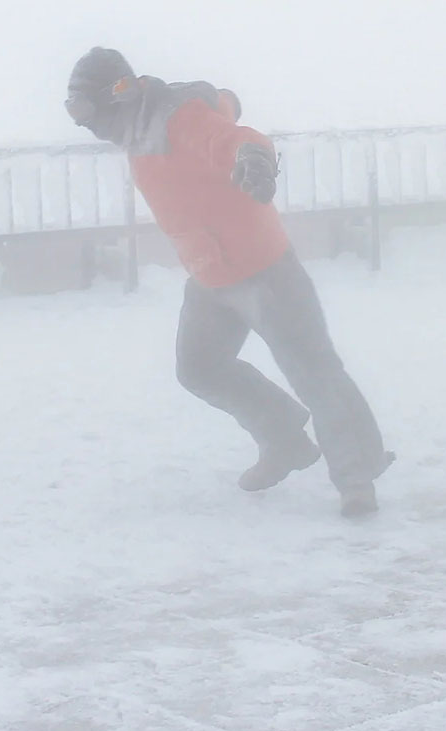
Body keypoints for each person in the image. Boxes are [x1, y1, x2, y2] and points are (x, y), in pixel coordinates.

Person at [65, 47, 393, 518]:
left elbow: (236, 136)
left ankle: (358, 477)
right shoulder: (135, 128)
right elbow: (225, 108)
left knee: (315, 373)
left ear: (118, 95)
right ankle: (284, 440)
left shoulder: (176, 119)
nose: (82, 123)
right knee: (199, 368)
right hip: (209, 276)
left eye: (85, 110)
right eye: (73, 111)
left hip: (265, 271)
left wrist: (254, 159)